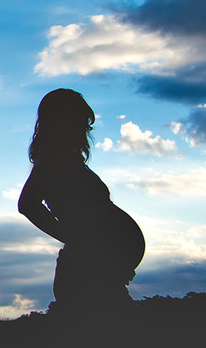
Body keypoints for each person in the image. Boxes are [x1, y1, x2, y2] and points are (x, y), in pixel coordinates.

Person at [18, 88, 145, 315]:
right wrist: (80, 241)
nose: (85, 128)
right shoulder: (52, 159)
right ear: (63, 121)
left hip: (97, 267)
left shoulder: (67, 160)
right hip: (86, 269)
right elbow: (27, 204)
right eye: (79, 120)